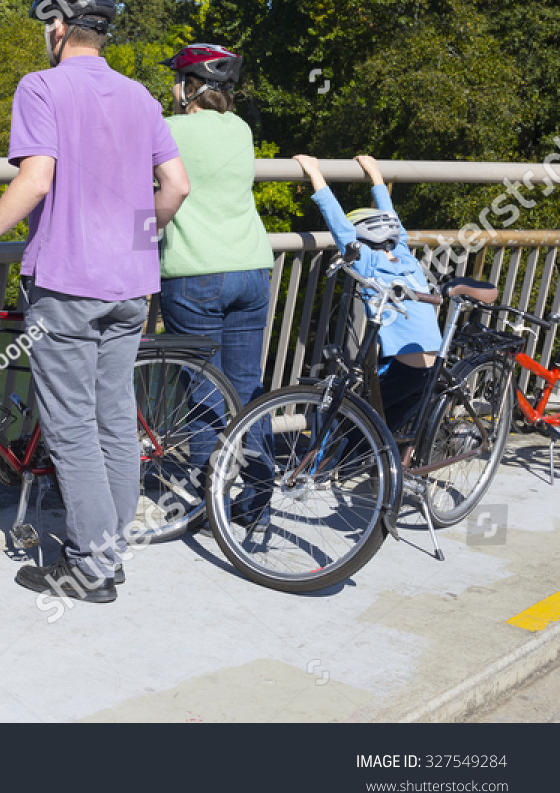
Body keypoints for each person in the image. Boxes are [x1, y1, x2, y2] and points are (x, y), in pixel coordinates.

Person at [0, 0, 190, 603]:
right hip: (131, 287)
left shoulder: (39, 86)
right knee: (115, 422)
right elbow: (176, 187)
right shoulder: (140, 97)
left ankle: (91, 567)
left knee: (72, 428)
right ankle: (111, 551)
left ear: (58, 27)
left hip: (68, 283)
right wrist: (130, 241)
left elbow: (36, 180)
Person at [156, 44, 275, 523]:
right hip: (252, 268)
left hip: (195, 272)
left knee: (205, 390)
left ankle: (212, 507)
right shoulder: (242, 129)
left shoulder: (167, 129)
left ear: (189, 87)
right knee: (247, 389)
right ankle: (258, 501)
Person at [294, 153, 442, 442]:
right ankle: (387, 471)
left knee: (355, 423)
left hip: (406, 369)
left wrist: (315, 174)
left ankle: (323, 470)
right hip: (431, 367)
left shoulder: (369, 265)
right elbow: (392, 219)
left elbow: (339, 226)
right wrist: (376, 176)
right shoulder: (406, 258)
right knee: (385, 428)